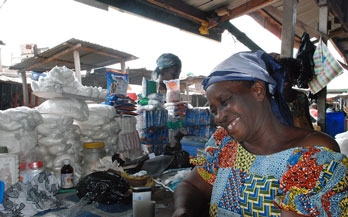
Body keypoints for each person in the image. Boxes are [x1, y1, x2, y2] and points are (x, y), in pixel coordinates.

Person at [172, 51, 346, 217]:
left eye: (224, 102)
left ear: (258, 91)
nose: (219, 117)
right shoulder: (225, 145)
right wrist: (183, 210)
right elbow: (191, 185)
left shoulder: (313, 152)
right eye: (214, 110)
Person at [279, 57, 313, 129]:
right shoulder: (271, 99)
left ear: (294, 76)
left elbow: (308, 121)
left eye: (289, 75)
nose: (286, 79)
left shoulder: (301, 98)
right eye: (282, 75)